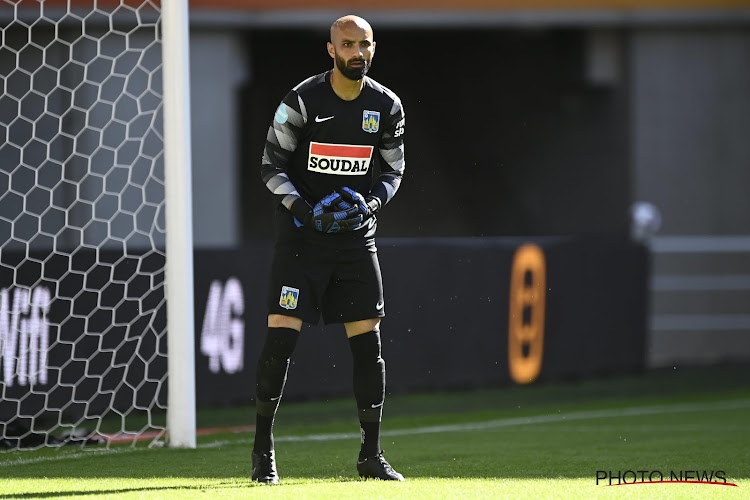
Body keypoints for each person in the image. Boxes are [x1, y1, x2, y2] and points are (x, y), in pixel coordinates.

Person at [251, 15, 406, 484]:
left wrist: (373, 202)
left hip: (356, 241)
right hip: (301, 240)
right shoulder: (301, 99)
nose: (356, 52)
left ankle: (371, 455)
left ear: (373, 48)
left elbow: (394, 171)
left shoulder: (388, 105)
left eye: (364, 44)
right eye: (347, 44)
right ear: (331, 49)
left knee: (369, 346)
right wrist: (303, 207)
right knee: (281, 339)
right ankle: (263, 453)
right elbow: (269, 165)